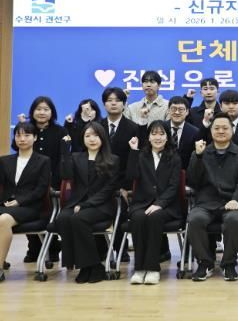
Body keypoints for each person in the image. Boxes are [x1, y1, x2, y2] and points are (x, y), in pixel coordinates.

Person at [0, 123, 51, 286]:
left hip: (29, 206)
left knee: (4, 219)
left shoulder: (43, 161)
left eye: (27, 135)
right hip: (5, 204)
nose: (22, 139)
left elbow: (41, 189)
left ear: (35, 138)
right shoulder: (7, 160)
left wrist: (20, 201)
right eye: (18, 135)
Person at [186, 112, 238, 281]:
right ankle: (205, 263)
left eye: (225, 128)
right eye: (216, 128)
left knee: (233, 220)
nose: (221, 131)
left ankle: (229, 263)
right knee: (195, 219)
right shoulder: (200, 152)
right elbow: (193, 181)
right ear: (211, 131)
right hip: (206, 203)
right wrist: (198, 157)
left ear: (232, 130)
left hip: (233, 202)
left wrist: (236, 199)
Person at [55, 122, 120, 283]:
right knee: (63, 218)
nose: (92, 139)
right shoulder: (76, 157)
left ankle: (93, 266)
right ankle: (85, 266)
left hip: (101, 205)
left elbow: (108, 189)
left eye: (96, 135)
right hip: (77, 202)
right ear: (83, 139)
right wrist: (65, 152)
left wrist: (86, 205)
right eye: (88, 136)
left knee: (78, 218)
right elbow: (66, 175)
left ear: (102, 137)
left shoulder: (113, 159)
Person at [126, 120, 182, 285]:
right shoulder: (141, 155)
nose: (158, 137)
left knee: (155, 217)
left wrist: (160, 203)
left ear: (167, 137)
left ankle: (152, 268)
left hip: (166, 205)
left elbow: (173, 187)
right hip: (141, 203)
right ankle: (139, 268)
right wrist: (133, 151)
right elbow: (131, 176)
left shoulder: (174, 157)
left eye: (162, 134)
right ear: (149, 137)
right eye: (154, 133)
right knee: (138, 218)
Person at [19, 96, 67, 263]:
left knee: (49, 215)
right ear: (32, 111)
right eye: (38, 109)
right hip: (29, 182)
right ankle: (33, 248)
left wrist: (56, 182)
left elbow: (63, 158)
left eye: (46, 109)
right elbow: (18, 149)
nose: (42, 112)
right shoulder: (26, 129)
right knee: (28, 213)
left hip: (53, 182)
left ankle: (52, 248)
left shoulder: (60, 131)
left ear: (52, 112)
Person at [100, 87, 142, 262]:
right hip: (99, 182)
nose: (113, 103)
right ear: (104, 104)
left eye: (117, 100)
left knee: (121, 211)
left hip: (123, 183)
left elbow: (134, 160)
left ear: (124, 104)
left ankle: (121, 250)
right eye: (109, 100)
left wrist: (125, 187)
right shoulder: (97, 127)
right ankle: (101, 250)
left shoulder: (133, 127)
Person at [163, 96, 201, 170]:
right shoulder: (161, 128)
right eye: (173, 109)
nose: (177, 112)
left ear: (187, 112)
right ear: (168, 111)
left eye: (181, 109)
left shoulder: (195, 132)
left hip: (185, 172)